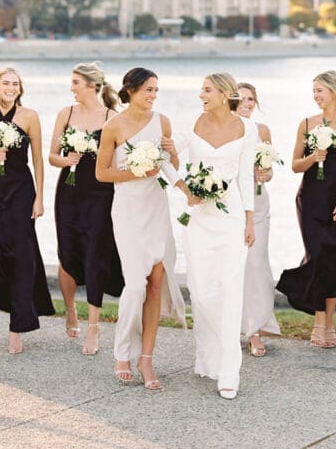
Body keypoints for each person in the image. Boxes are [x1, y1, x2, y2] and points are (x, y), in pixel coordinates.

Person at [96, 67, 189, 389]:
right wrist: (135, 173)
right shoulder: (113, 126)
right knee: (135, 285)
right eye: (148, 90)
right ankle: (122, 352)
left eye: (156, 91)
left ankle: (146, 359)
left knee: (154, 285)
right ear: (131, 90)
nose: (153, 96)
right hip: (127, 212)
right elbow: (102, 174)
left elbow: (170, 167)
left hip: (156, 208)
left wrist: (174, 152)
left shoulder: (162, 121)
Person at [0, 67, 54, 354]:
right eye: (6, 83)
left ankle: (18, 326)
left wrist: (40, 197)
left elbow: (38, 161)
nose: (11, 87)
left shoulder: (30, 116)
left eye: (15, 83)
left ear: (20, 88)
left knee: (21, 258)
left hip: (21, 192)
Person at [184, 73, 257, 399]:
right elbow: (170, 159)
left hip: (231, 220)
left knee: (229, 291)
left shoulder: (246, 127)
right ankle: (209, 358)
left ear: (225, 94)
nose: (201, 94)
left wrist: (249, 220)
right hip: (199, 219)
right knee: (201, 294)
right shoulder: (193, 122)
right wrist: (185, 190)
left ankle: (229, 372)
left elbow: (245, 177)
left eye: (207, 89)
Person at [276, 70, 336, 348]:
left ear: (334, 92)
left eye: (320, 91)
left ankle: (330, 323)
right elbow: (295, 165)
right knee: (316, 255)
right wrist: (314, 156)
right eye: (313, 91)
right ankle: (318, 322)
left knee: (334, 257)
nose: (316, 96)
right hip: (311, 198)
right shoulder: (306, 124)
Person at [49, 61, 124, 356]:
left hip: (101, 194)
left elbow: (118, 162)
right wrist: (66, 160)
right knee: (67, 254)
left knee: (96, 254)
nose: (72, 88)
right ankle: (70, 310)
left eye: (76, 83)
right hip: (68, 191)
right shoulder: (65, 114)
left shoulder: (111, 117)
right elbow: (53, 155)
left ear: (93, 85)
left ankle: (93, 325)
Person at [237, 81, 280, 358]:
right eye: (241, 98)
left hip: (259, 202)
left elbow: (269, 171)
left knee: (256, 264)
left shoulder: (262, 130)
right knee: (235, 267)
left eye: (251, 98)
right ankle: (235, 326)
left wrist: (266, 175)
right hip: (233, 205)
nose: (247, 103)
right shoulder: (227, 129)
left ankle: (256, 329)